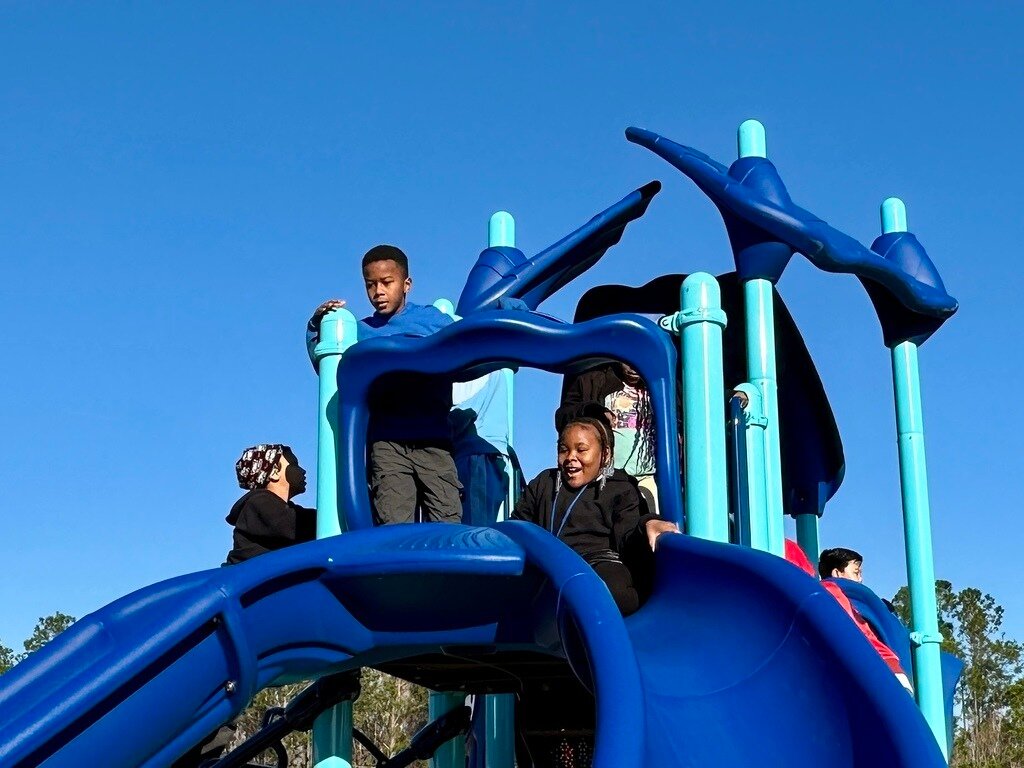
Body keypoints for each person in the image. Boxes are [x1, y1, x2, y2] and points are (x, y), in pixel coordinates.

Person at [306, 244, 462, 525]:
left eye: (387, 283)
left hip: (432, 438)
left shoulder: (431, 320)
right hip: (387, 441)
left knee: (446, 518)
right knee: (392, 520)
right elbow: (329, 370)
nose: (378, 292)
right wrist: (317, 325)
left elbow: (464, 350)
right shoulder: (361, 330)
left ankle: (443, 569)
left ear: (406, 284)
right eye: (370, 285)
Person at [512, 416, 678, 616]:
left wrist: (649, 522)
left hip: (597, 563)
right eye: (564, 450)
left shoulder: (620, 486)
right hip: (550, 562)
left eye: (581, 450)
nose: (571, 457)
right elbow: (519, 524)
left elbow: (628, 532)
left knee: (615, 591)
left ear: (604, 454)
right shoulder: (544, 482)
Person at [786, 541, 913, 693]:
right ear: (837, 573)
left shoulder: (856, 602)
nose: (860, 579)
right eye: (856, 572)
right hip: (878, 664)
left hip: (879, 664)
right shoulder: (834, 592)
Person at [555, 361, 677, 517]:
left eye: (638, 361)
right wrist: (594, 411)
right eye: (629, 362)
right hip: (608, 475)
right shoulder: (597, 380)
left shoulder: (657, 387)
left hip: (647, 475)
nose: (633, 368)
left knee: (652, 522)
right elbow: (563, 416)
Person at [224, 444, 316, 565]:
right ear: (275, 472)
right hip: (246, 579)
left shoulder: (286, 508)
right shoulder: (259, 503)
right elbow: (296, 525)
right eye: (294, 465)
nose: (302, 471)